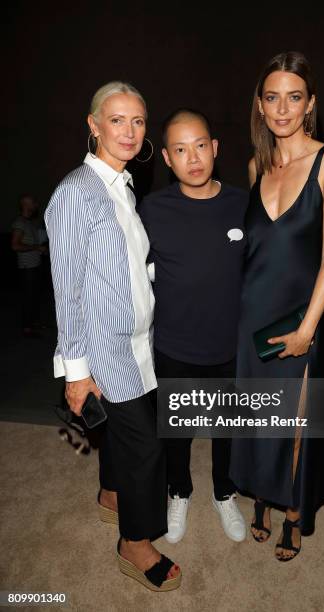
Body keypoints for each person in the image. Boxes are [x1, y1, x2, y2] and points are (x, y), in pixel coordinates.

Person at [45, 82, 181, 592]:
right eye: (117, 120)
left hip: (139, 338)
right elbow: (67, 288)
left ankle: (109, 495)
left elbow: (126, 266)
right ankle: (135, 542)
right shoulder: (75, 193)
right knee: (147, 447)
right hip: (105, 349)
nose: (129, 131)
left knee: (124, 438)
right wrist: (76, 373)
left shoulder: (121, 186)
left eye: (138, 121)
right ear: (93, 124)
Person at [230, 51, 324, 561]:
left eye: (294, 97)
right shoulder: (258, 164)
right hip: (253, 315)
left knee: (295, 421)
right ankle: (260, 498)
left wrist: (308, 328)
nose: (282, 108)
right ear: (260, 105)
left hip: (304, 319)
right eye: (272, 97)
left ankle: (295, 513)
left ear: (310, 104)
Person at [139, 109, 248, 544]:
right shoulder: (153, 208)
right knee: (177, 433)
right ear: (167, 158)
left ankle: (225, 492)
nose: (193, 157)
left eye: (200, 145)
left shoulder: (243, 203)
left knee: (228, 431)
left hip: (229, 346)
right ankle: (179, 491)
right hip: (175, 346)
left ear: (215, 148)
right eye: (181, 150)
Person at [11, 194, 46, 336]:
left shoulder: (30, 222)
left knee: (35, 296)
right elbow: (15, 245)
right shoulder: (19, 223)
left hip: (35, 265)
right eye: (33, 202)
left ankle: (34, 323)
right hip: (27, 268)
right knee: (28, 297)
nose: (36, 205)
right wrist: (37, 248)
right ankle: (27, 328)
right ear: (26, 205)